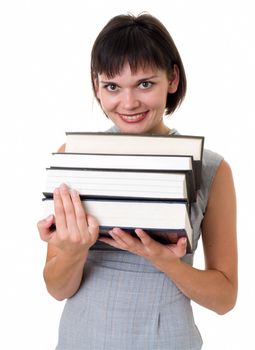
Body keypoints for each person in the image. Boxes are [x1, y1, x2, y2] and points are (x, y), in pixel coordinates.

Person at [37, 13, 237, 350]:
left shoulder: (212, 169)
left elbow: (224, 299)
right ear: (96, 86)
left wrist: (162, 260)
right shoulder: (74, 157)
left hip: (167, 340)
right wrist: (73, 251)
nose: (128, 103)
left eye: (145, 83)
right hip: (81, 338)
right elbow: (57, 290)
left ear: (172, 78)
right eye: (112, 86)